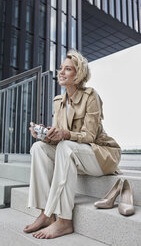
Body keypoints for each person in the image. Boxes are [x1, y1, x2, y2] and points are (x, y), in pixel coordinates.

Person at [23, 50, 121, 239]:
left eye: (67, 69)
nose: (61, 72)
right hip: (75, 155)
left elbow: (89, 136)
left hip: (100, 155)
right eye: (61, 68)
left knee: (66, 147)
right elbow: (59, 137)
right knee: (39, 148)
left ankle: (64, 221)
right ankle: (46, 213)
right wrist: (44, 135)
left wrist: (65, 134)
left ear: (79, 74)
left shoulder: (91, 96)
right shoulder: (58, 101)